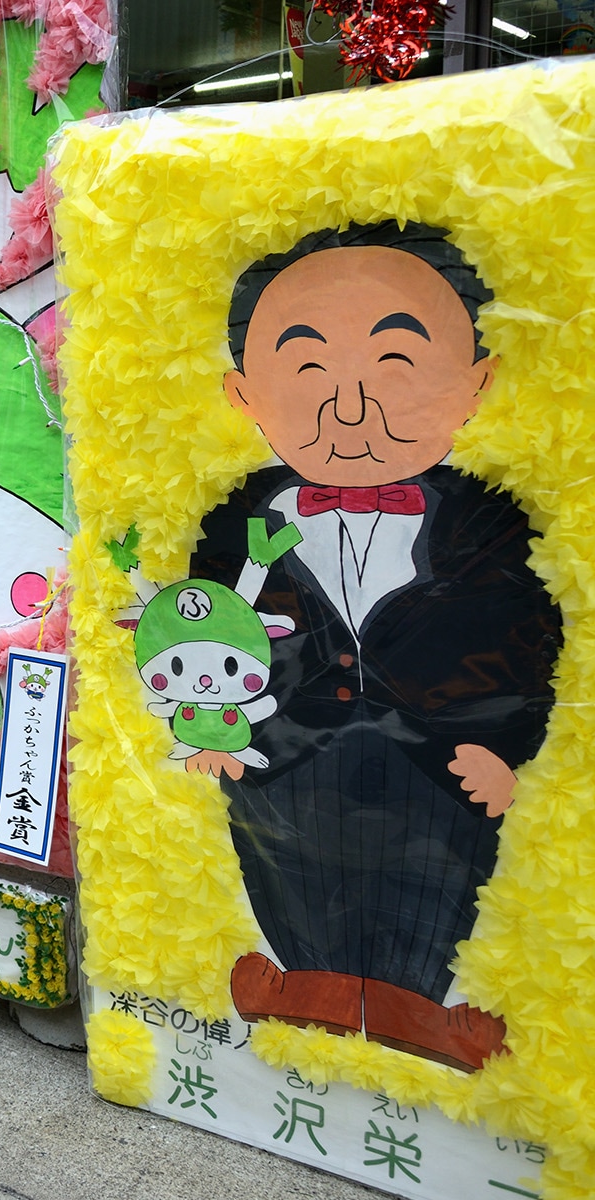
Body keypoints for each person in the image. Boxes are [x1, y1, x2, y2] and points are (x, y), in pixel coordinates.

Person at [188, 221, 563, 1072]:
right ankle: (312, 987)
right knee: (291, 868)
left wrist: (506, 752)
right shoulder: (230, 524)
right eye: (308, 368)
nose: (349, 409)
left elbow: (532, 647)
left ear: (475, 386)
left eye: (396, 367)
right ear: (245, 395)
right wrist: (217, 730)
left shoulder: (493, 526)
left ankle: (414, 1007)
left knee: (435, 884)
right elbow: (203, 630)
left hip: (441, 766)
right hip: (283, 761)